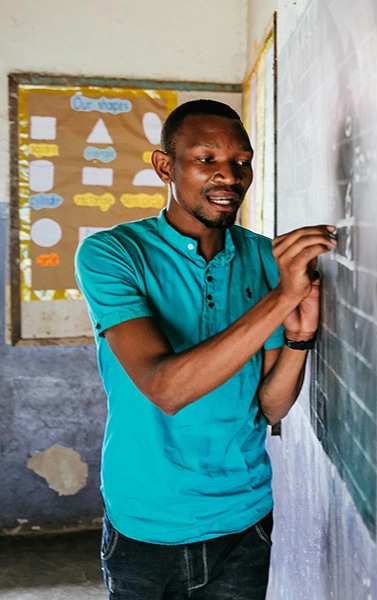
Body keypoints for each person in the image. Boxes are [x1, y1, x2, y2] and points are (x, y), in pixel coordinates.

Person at [75, 99, 335, 599]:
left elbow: (270, 406)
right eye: (206, 159)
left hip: (243, 517)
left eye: (241, 161)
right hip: (147, 518)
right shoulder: (113, 254)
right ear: (165, 166)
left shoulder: (266, 258)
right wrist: (282, 297)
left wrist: (299, 338)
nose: (229, 176)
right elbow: (164, 388)